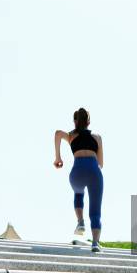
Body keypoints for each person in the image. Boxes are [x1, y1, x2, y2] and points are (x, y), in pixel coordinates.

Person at [54, 108, 104, 252]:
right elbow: (101, 163)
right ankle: (95, 243)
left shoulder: (71, 136)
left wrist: (58, 158)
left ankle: (80, 221)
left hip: (77, 172)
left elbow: (57, 133)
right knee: (95, 211)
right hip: (94, 171)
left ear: (75, 121)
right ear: (89, 122)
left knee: (78, 192)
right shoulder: (97, 138)